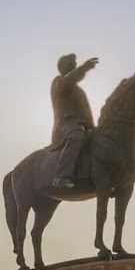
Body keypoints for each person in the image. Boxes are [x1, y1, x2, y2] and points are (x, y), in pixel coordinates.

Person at [50, 53, 99, 189]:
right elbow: (68, 81)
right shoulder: (59, 82)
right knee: (76, 137)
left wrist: (94, 129)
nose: (76, 66)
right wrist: (83, 68)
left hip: (83, 126)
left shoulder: (78, 91)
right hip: (66, 126)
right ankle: (61, 176)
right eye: (74, 66)